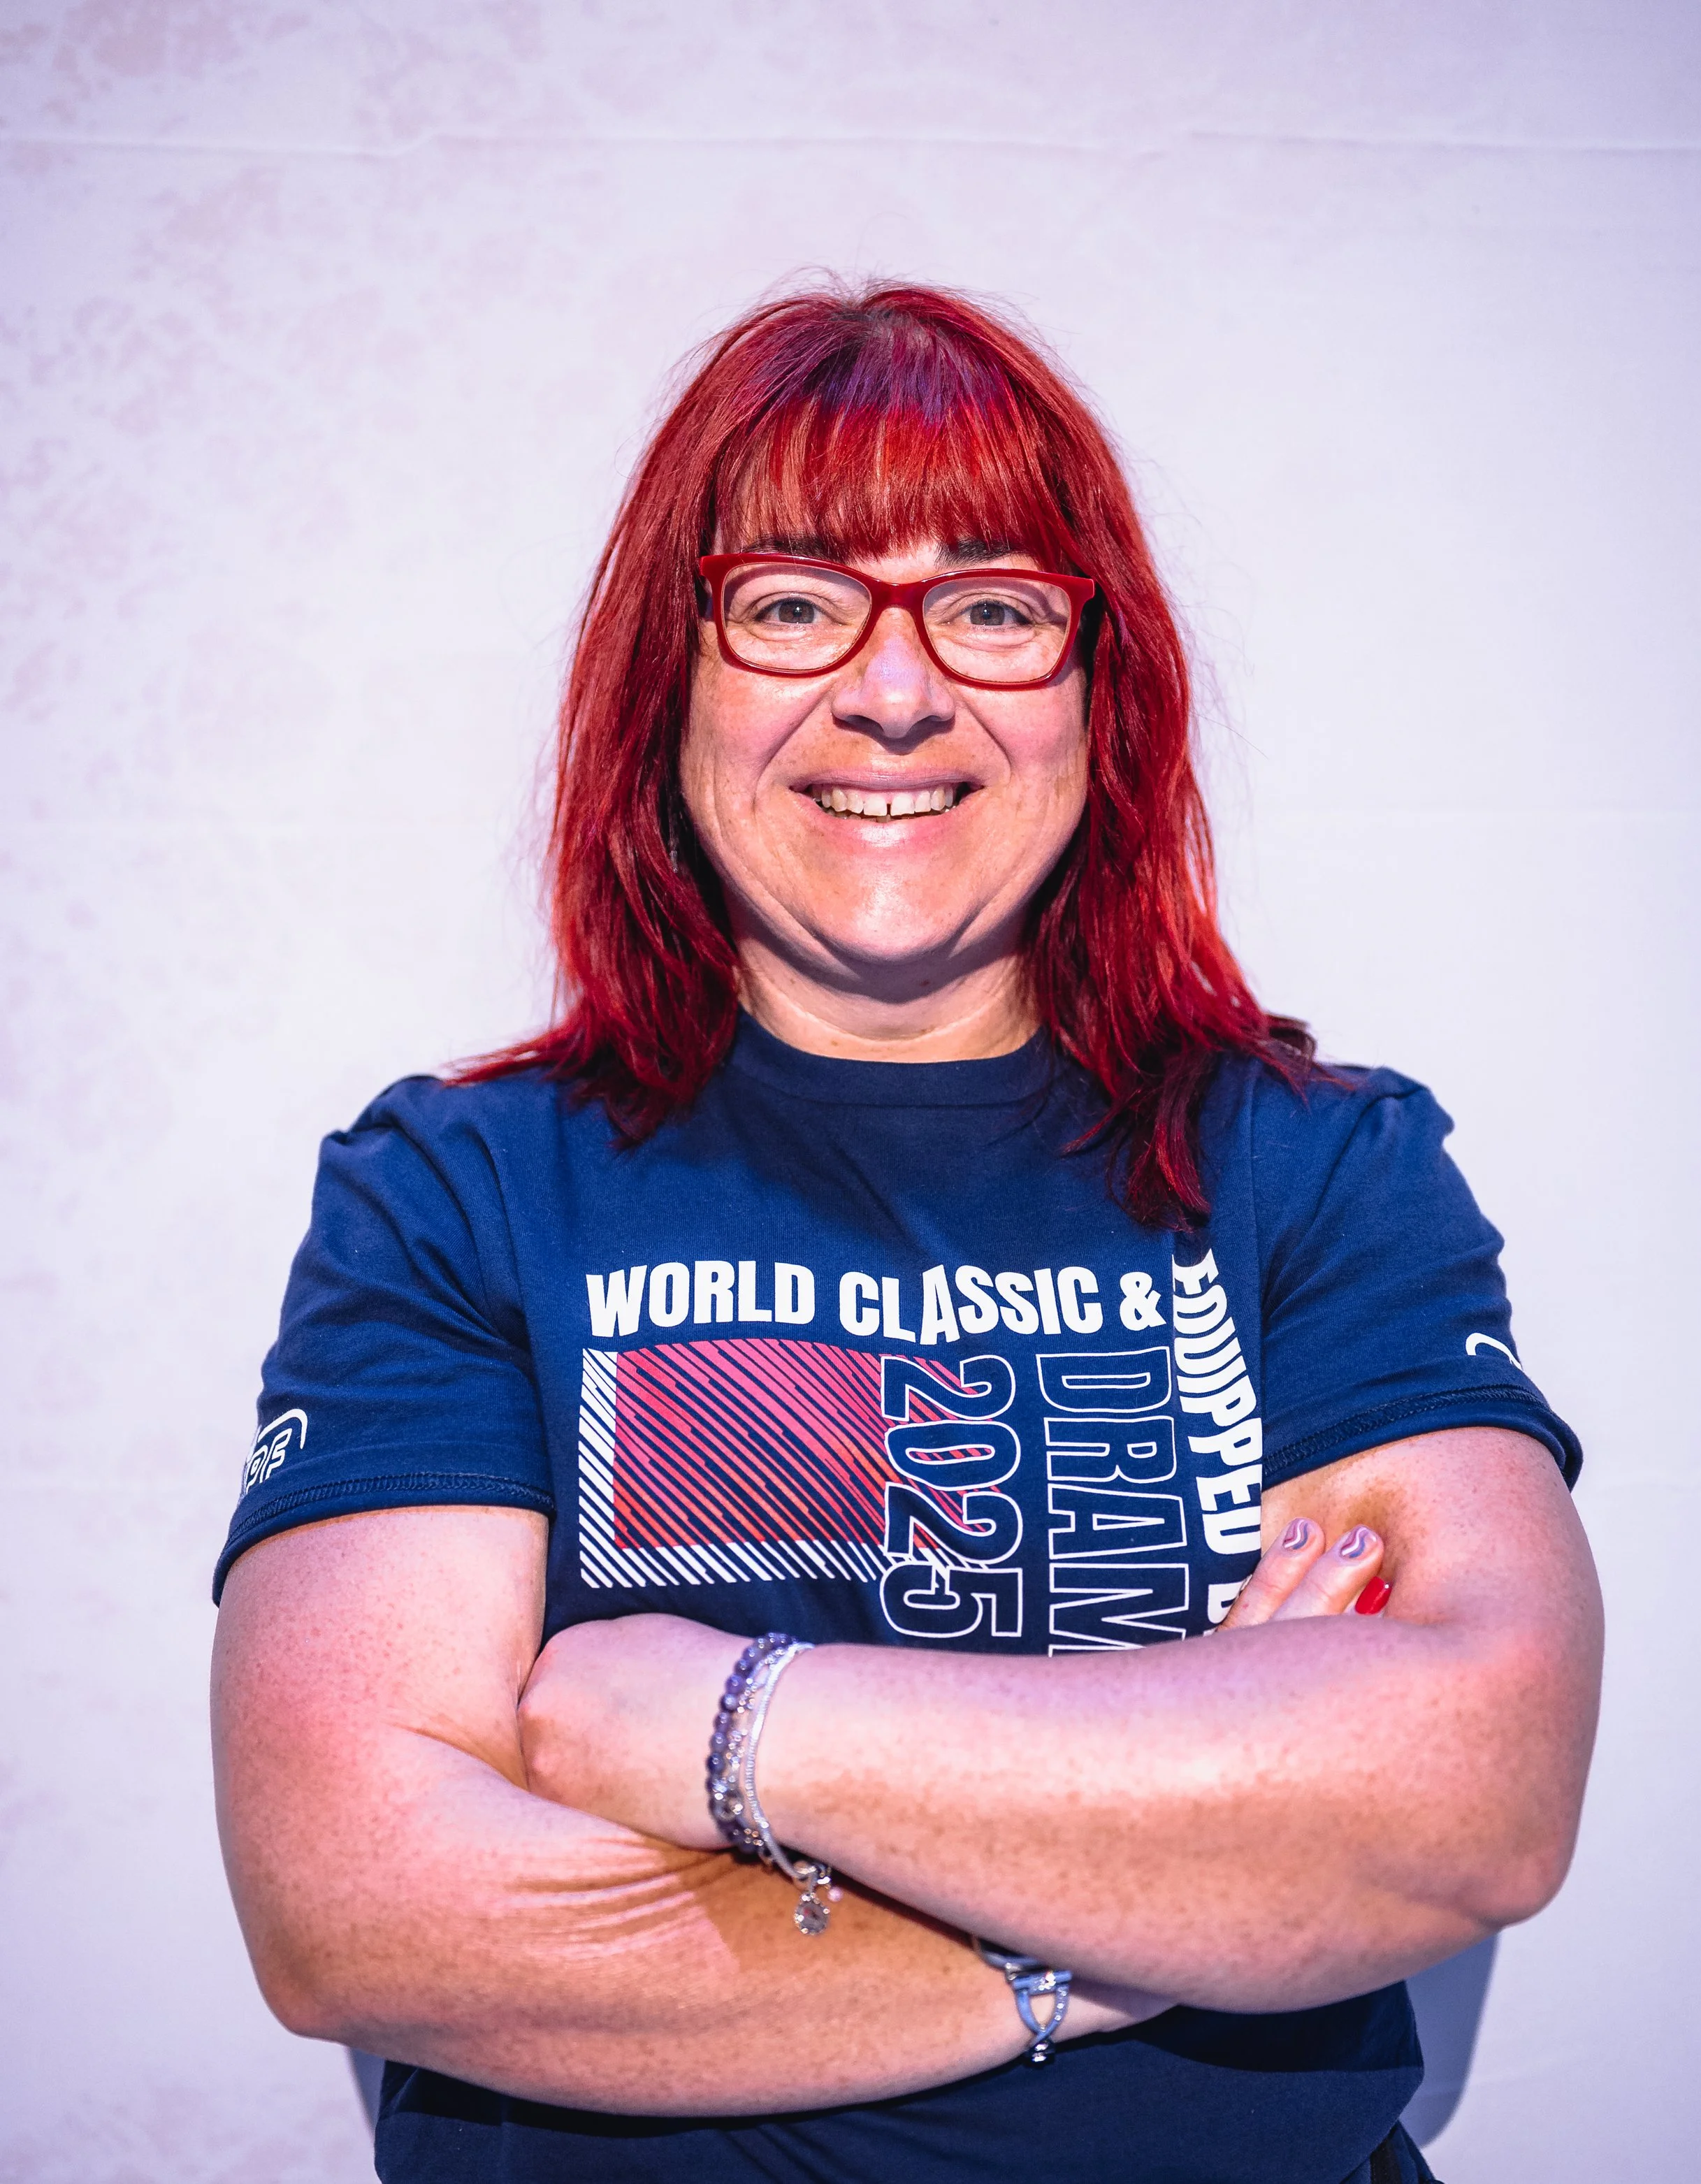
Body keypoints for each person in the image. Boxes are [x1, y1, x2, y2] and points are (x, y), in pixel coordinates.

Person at [210, 283, 1602, 2184]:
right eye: (789, 604)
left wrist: (725, 1719)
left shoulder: (1314, 1167)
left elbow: (1474, 1796)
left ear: (1099, 686)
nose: (891, 688)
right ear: (667, 678)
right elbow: (360, 1907)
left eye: (995, 604)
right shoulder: (461, 1185)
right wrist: (1153, 1900)